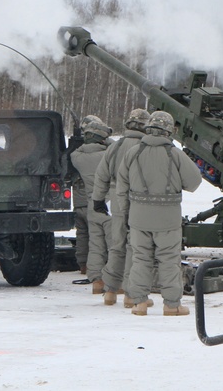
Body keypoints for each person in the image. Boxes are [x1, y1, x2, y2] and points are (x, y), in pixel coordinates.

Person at [116, 110, 202, 316]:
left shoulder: (133, 152)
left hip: (138, 218)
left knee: (140, 259)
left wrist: (128, 213)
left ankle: (139, 303)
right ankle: (172, 305)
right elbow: (194, 182)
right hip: (168, 219)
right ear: (168, 130)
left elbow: (121, 187)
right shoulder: (175, 154)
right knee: (169, 260)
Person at [93, 108, 150, 307]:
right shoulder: (146, 147)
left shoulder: (115, 146)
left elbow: (102, 175)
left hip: (117, 198)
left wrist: (98, 199)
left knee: (116, 245)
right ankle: (130, 292)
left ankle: (110, 291)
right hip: (139, 200)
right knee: (135, 246)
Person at [70, 114, 112, 290]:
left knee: (94, 244)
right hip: (108, 205)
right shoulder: (108, 155)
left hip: (90, 205)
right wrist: (106, 139)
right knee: (113, 245)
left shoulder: (77, 157)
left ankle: (95, 280)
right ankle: (114, 279)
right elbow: (117, 147)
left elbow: (76, 150)